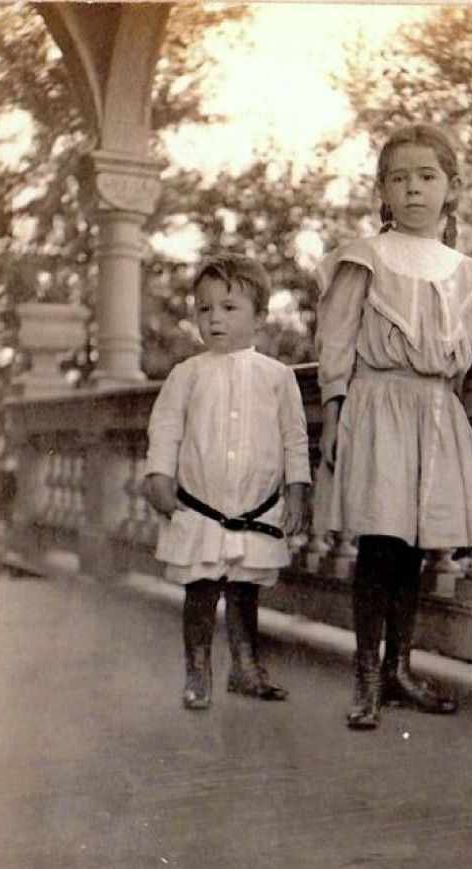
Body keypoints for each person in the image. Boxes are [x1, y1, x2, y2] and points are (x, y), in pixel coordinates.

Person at [315, 124, 472, 730]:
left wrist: (448, 428)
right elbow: (337, 338)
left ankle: (400, 668)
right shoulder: (365, 256)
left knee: (416, 547)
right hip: (378, 409)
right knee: (379, 544)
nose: (413, 189)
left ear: (450, 189)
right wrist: (335, 413)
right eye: (399, 178)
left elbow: (460, 361)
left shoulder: (463, 273)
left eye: (427, 177)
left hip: (434, 413)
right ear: (382, 191)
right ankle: (366, 678)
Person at [144, 253, 310, 710]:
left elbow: (295, 439)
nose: (214, 318)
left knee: (244, 590)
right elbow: (166, 429)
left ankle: (245, 666)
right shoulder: (187, 375)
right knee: (200, 590)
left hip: (255, 510)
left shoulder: (278, 378)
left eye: (229, 307)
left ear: (258, 316)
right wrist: (158, 474)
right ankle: (197, 669)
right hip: (202, 507)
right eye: (204, 308)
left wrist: (298, 489)